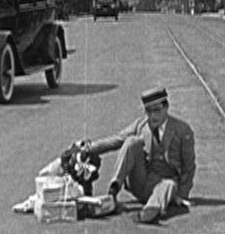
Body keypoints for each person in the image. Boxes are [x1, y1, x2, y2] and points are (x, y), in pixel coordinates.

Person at [81, 87, 196, 224]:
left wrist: (182, 194)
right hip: (141, 181)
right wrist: (88, 149)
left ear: (166, 108)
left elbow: (189, 166)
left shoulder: (182, 130)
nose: (153, 116)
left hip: (164, 184)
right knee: (131, 142)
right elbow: (116, 140)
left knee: (169, 184)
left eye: (157, 111)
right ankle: (112, 194)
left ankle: (150, 211)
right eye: (149, 111)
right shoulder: (141, 125)